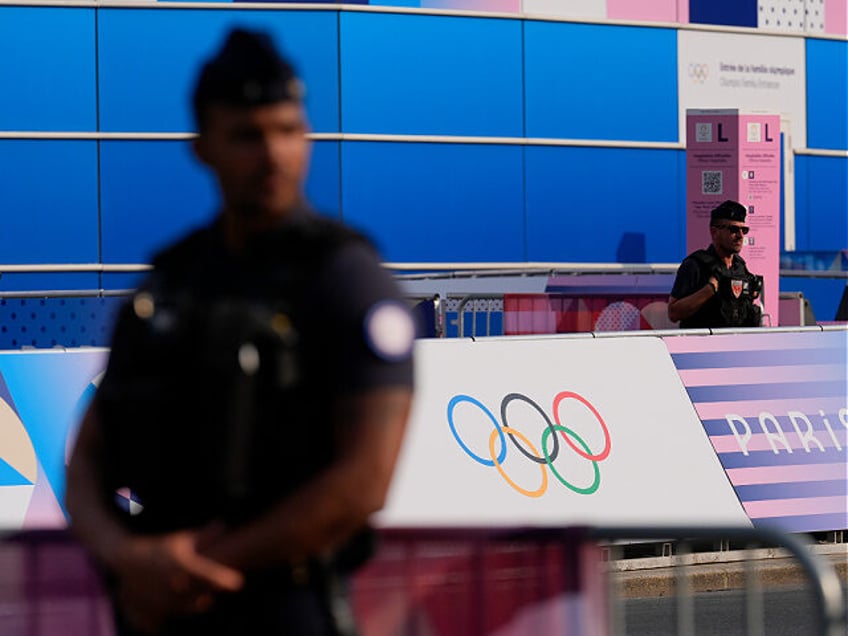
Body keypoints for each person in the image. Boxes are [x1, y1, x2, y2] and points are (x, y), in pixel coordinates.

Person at [65, 27, 416, 635]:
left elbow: (365, 480)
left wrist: (194, 571)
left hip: (284, 609)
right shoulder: (169, 286)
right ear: (203, 147)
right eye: (249, 136)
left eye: (288, 131)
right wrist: (127, 559)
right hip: (155, 607)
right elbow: (90, 455)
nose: (274, 154)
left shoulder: (345, 281)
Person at [667, 200, 763, 328]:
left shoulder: (739, 266)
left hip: (736, 342)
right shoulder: (695, 265)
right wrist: (708, 290)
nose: (740, 236)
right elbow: (673, 313)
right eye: (733, 229)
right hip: (704, 344)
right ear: (714, 232)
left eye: (744, 230)